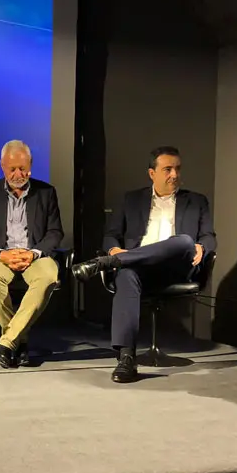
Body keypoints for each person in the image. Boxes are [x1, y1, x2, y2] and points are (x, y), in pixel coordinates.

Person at [71, 146, 216, 383]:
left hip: (178, 267)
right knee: (126, 275)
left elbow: (209, 235)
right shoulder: (131, 200)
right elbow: (111, 235)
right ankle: (127, 358)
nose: (174, 175)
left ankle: (106, 263)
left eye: (177, 169)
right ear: (152, 173)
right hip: (141, 267)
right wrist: (113, 248)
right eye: (167, 169)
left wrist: (203, 246)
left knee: (184, 241)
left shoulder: (197, 201)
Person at [0, 140, 63, 368]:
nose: (19, 174)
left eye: (23, 168)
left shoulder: (46, 192)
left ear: (30, 164)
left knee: (49, 276)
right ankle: (18, 342)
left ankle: (7, 342)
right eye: (13, 169)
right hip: (1, 256)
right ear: (2, 166)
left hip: (35, 255)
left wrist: (34, 254)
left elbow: (54, 232)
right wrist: (0, 254)